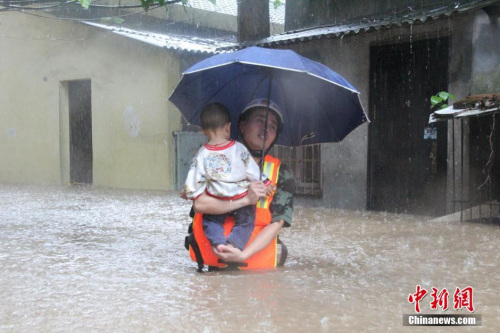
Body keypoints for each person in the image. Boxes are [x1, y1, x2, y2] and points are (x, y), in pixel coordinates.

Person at [187, 99, 294, 268]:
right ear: (242, 126)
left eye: (273, 126)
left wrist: (243, 254)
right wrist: (245, 200)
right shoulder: (212, 157)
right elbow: (200, 204)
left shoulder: (282, 172)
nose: (266, 128)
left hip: (257, 277)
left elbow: (277, 222)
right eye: (260, 120)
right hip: (209, 273)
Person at [183, 102, 270, 254]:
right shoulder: (239, 148)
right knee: (246, 222)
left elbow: (194, 178)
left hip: (217, 198)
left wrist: (188, 192)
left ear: (203, 130)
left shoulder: (202, 154)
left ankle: (218, 243)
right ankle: (234, 245)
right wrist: (265, 182)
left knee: (210, 222)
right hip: (242, 196)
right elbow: (252, 170)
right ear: (228, 127)